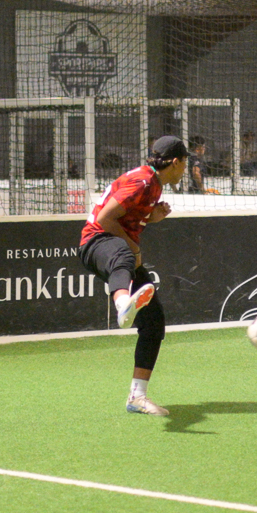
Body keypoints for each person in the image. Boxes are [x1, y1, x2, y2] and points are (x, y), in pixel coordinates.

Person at [78, 135, 187, 415]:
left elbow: (129, 216)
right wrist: (134, 247)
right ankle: (122, 304)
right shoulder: (143, 181)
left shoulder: (154, 184)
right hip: (96, 242)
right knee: (126, 255)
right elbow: (104, 219)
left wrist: (152, 217)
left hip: (113, 245)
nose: (185, 169)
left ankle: (137, 397)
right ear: (176, 162)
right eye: (185, 163)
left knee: (153, 321)